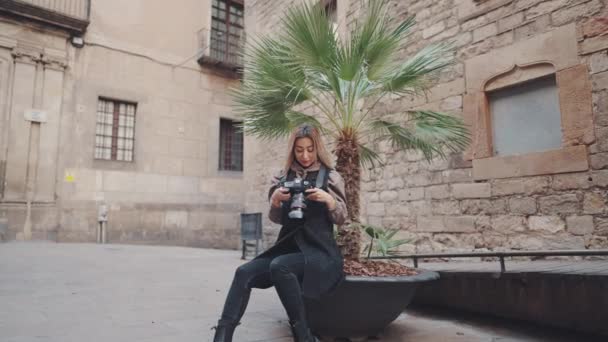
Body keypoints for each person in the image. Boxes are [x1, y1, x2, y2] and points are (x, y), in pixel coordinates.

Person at [212, 124, 348, 342]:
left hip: (319, 252)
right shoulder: (283, 176)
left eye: (310, 149)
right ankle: (221, 336)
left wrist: (330, 200)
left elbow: (342, 218)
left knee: (280, 266)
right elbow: (276, 218)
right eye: (299, 149)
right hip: (287, 247)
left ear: (318, 148)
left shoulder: (330, 177)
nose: (305, 155)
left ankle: (304, 337)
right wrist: (275, 201)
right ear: (292, 150)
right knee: (243, 272)